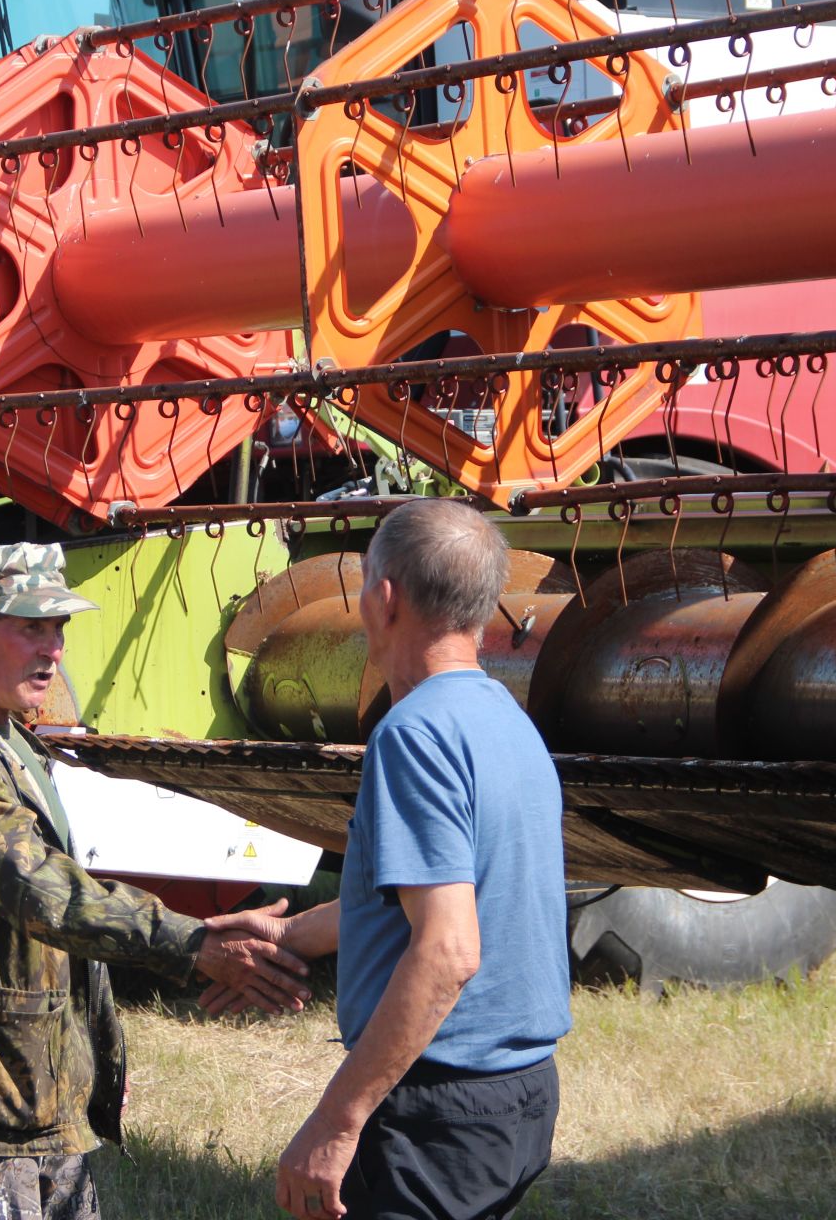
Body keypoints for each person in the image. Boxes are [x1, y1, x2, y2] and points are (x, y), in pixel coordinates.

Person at [0, 541, 312, 1220]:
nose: (52, 650)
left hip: (28, 1084)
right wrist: (192, 944)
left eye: (58, 628)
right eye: (29, 627)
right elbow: (45, 892)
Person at [208, 498, 573, 1219]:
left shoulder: (414, 735)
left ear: (382, 597)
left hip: (438, 1110)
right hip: (519, 1094)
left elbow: (448, 949)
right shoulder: (506, 720)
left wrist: (336, 1121)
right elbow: (429, 899)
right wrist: (288, 938)